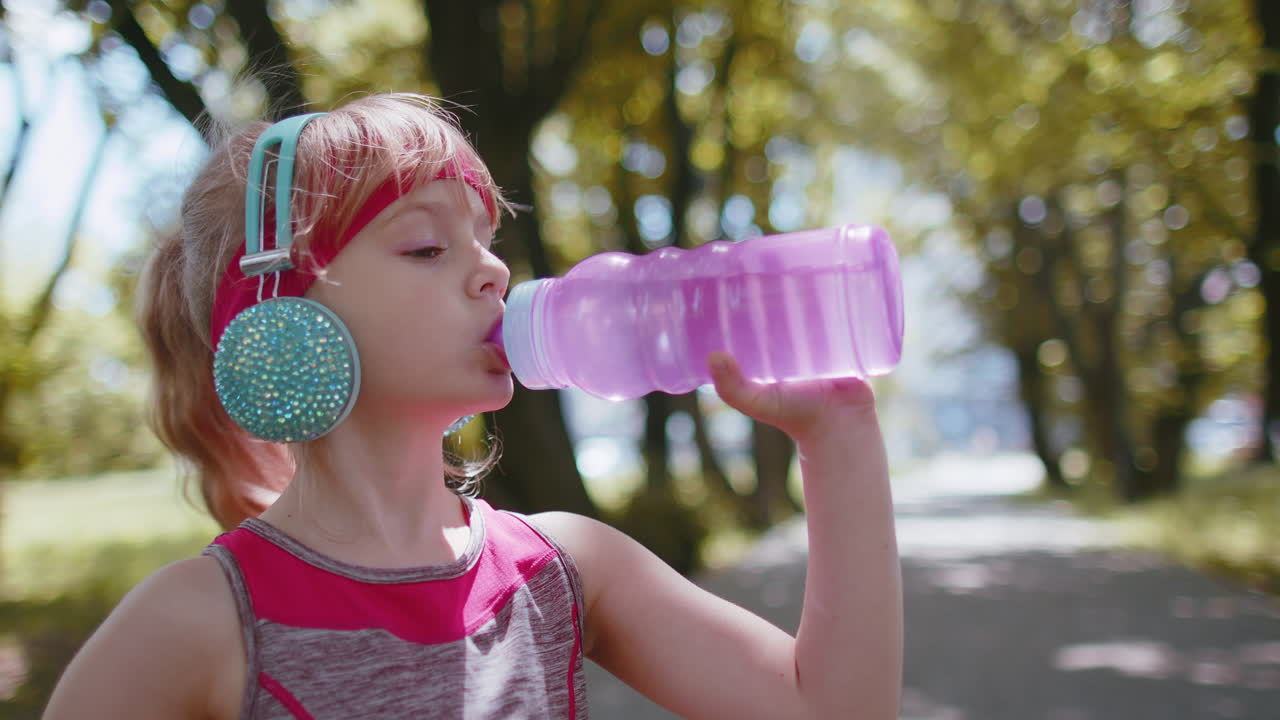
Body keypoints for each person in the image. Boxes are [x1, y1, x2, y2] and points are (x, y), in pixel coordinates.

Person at [42, 93, 902, 719]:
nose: (493, 269)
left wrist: (841, 435)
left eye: (487, 239)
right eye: (426, 245)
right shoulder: (202, 622)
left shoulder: (560, 569)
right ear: (279, 316)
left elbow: (830, 707)